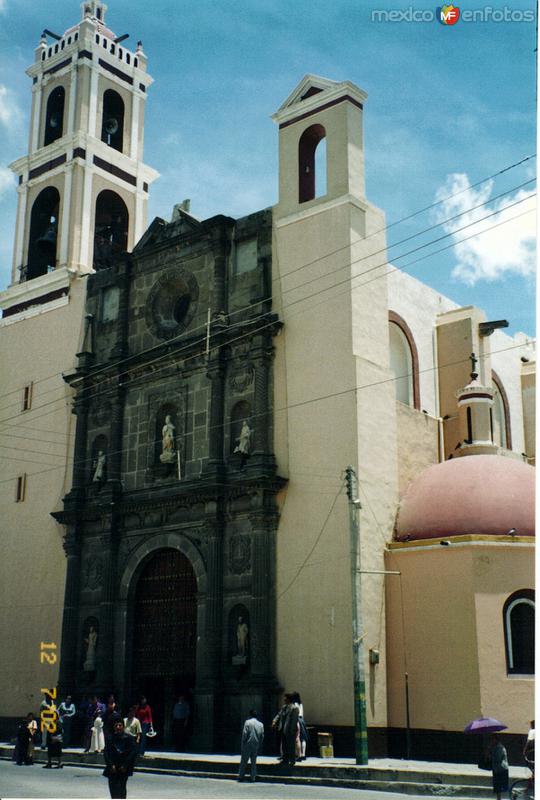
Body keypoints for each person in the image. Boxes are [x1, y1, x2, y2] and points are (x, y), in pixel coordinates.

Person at [103, 719, 137, 799]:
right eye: (116, 725)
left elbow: (132, 753)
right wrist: (111, 765)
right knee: (113, 789)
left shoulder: (129, 738)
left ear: (123, 727)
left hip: (123, 768)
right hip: (112, 768)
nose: (118, 727)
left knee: (121, 789)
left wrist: (125, 765)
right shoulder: (110, 738)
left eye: (120, 725)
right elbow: (106, 753)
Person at [238, 709, 264, 783]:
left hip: (247, 744)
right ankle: (253, 777)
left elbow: (245, 734)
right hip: (256, 744)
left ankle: (241, 776)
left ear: (250, 715)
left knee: (244, 761)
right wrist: (259, 743)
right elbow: (262, 736)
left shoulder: (247, 722)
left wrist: (243, 743)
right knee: (253, 762)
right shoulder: (261, 724)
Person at [490, 733, 509, 800]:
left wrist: (490, 755)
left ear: (496, 740)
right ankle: (498, 798)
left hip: (500, 769)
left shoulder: (499, 747)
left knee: (499, 786)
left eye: (492, 739)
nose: (491, 741)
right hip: (497, 768)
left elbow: (497, 758)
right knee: (498, 787)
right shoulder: (496, 747)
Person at [292, 691, 308, 760]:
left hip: (297, 720)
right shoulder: (301, 704)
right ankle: (303, 754)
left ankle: (297, 753)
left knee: (297, 738)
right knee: (303, 738)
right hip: (302, 720)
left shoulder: (294, 704)